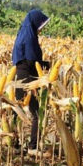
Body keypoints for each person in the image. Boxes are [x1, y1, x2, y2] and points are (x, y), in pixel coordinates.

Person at [12, 9, 50, 155]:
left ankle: (14, 144)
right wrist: (47, 65)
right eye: (41, 26)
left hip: (19, 75)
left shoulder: (22, 34)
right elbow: (33, 62)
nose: (41, 30)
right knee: (37, 113)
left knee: (17, 110)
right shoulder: (29, 39)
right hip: (27, 76)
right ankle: (33, 147)